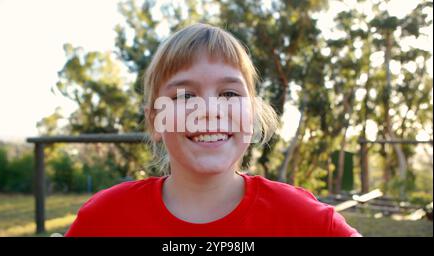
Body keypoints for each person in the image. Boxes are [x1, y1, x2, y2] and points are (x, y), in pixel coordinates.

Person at [65, 23, 361, 237]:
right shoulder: (105, 219)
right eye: (184, 96)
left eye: (230, 94)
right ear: (156, 120)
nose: (209, 109)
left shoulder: (306, 221)